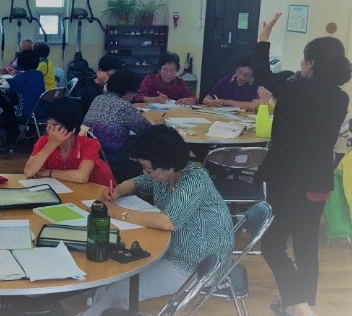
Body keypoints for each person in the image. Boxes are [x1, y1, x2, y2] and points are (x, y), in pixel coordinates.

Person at [253, 12, 352, 316]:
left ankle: (298, 305)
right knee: (307, 245)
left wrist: (263, 39)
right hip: (318, 182)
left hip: (288, 182)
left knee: (272, 245)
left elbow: (262, 75)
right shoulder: (341, 98)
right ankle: (303, 304)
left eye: (303, 60)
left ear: (310, 62)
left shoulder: (294, 89)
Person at [83, 125, 233, 316]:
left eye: (148, 168)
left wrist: (118, 212)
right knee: (112, 275)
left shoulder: (195, 180)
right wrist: (117, 191)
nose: (146, 172)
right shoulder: (162, 176)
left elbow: (167, 221)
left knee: (122, 288)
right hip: (170, 249)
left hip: (195, 262)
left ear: (169, 167)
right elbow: (138, 183)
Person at [83, 69, 161, 183]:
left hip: (90, 157)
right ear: (127, 91)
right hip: (114, 162)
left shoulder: (98, 99)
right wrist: (159, 125)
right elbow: (149, 132)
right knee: (153, 158)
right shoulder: (125, 106)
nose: (134, 96)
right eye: (134, 92)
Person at [24, 97, 114, 186]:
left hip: (97, 189)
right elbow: (28, 172)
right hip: (68, 188)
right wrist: (50, 146)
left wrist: (50, 172)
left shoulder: (89, 144)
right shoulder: (44, 141)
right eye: (48, 124)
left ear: (72, 129)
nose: (49, 129)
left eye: (54, 125)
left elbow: (82, 176)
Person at [2, 50, 45, 122]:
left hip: (25, 114)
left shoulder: (22, 77)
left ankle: (9, 128)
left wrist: (3, 80)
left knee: (4, 102)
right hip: (40, 112)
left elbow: (5, 85)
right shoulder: (39, 74)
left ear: (21, 63)